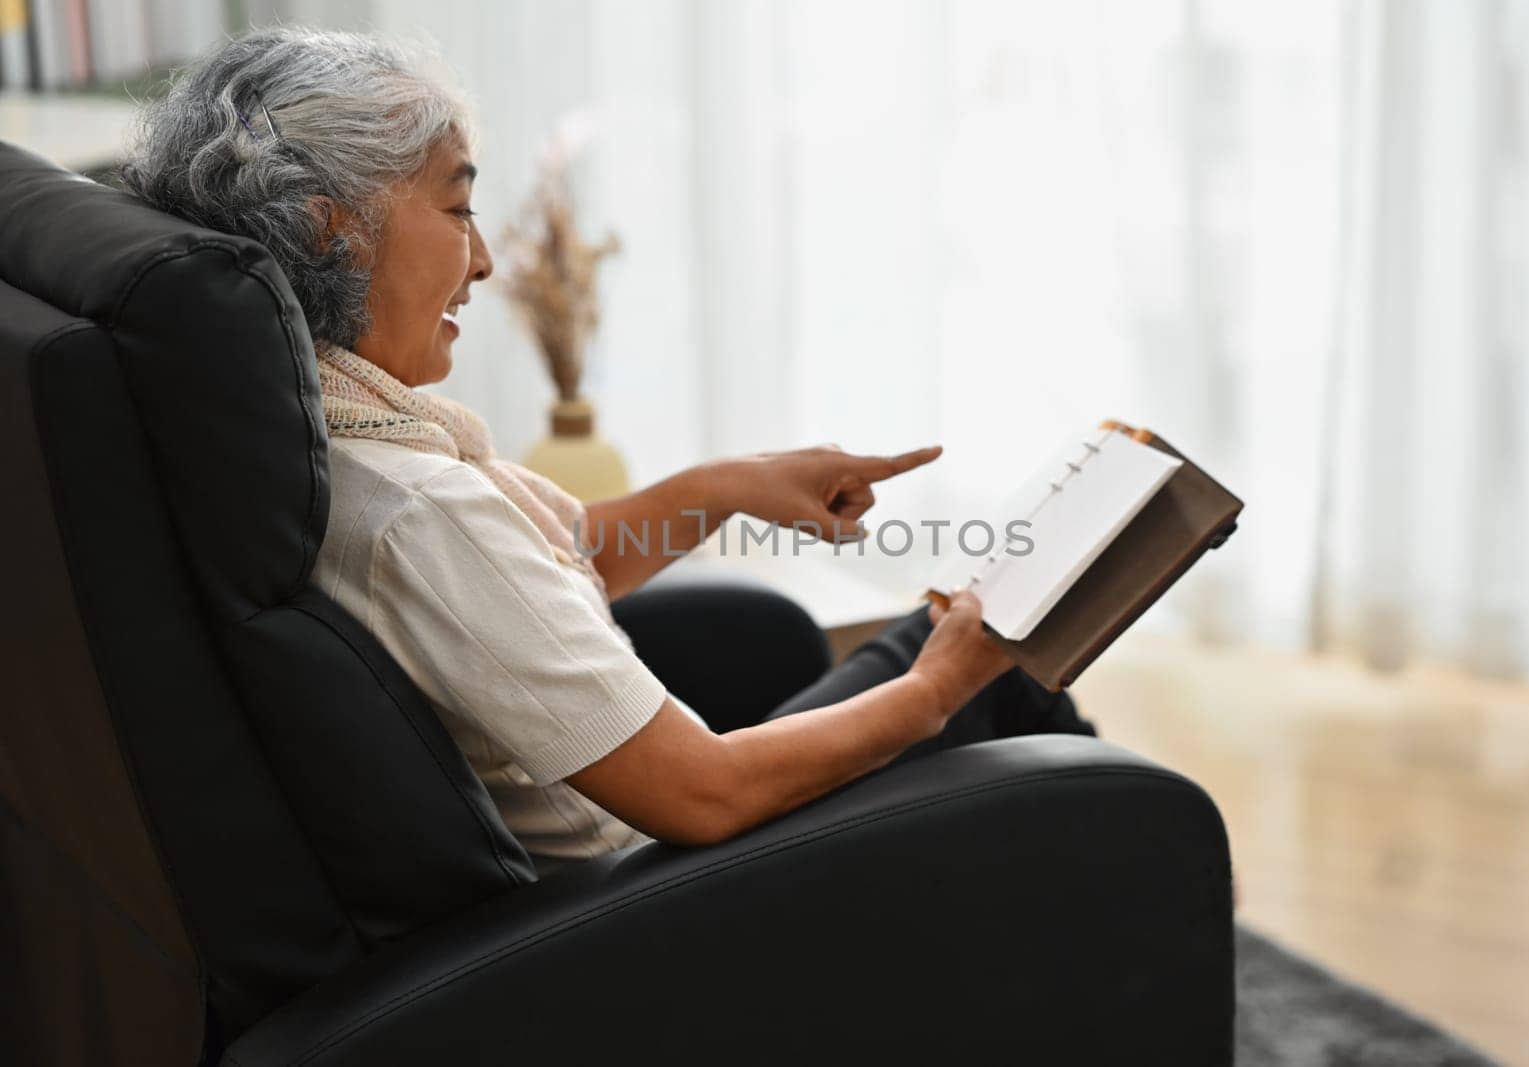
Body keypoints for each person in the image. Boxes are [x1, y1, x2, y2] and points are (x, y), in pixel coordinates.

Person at [119, 26, 1093, 873]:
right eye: (459, 209)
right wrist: (937, 689)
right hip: (660, 911)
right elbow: (703, 795)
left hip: (651, 869)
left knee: (927, 650)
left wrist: (725, 487)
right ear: (329, 229)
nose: (489, 259)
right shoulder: (420, 512)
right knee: (986, 666)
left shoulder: (306, 438)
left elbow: (522, 579)